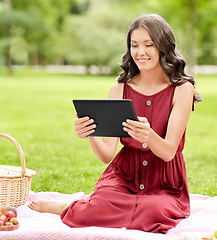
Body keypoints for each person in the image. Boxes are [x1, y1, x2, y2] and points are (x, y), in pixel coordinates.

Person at [29, 13, 200, 234]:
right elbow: (106, 155)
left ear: (163, 47)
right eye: (134, 45)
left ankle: (80, 207)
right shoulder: (119, 89)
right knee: (101, 204)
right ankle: (74, 207)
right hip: (124, 175)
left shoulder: (181, 89)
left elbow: (168, 152)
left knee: (153, 211)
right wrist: (91, 133)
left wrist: (148, 136)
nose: (140, 52)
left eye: (149, 44)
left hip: (164, 182)